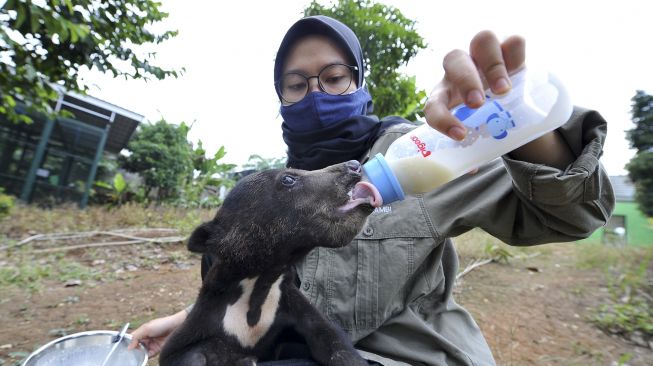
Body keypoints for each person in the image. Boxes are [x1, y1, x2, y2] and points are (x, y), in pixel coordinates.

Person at [129, 15, 615, 366]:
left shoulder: (426, 153)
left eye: (334, 78)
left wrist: (518, 126)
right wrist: (197, 318)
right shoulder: (264, 192)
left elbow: (572, 217)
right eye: (296, 85)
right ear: (280, 96)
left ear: (360, 81)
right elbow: (266, 286)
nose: (316, 94)